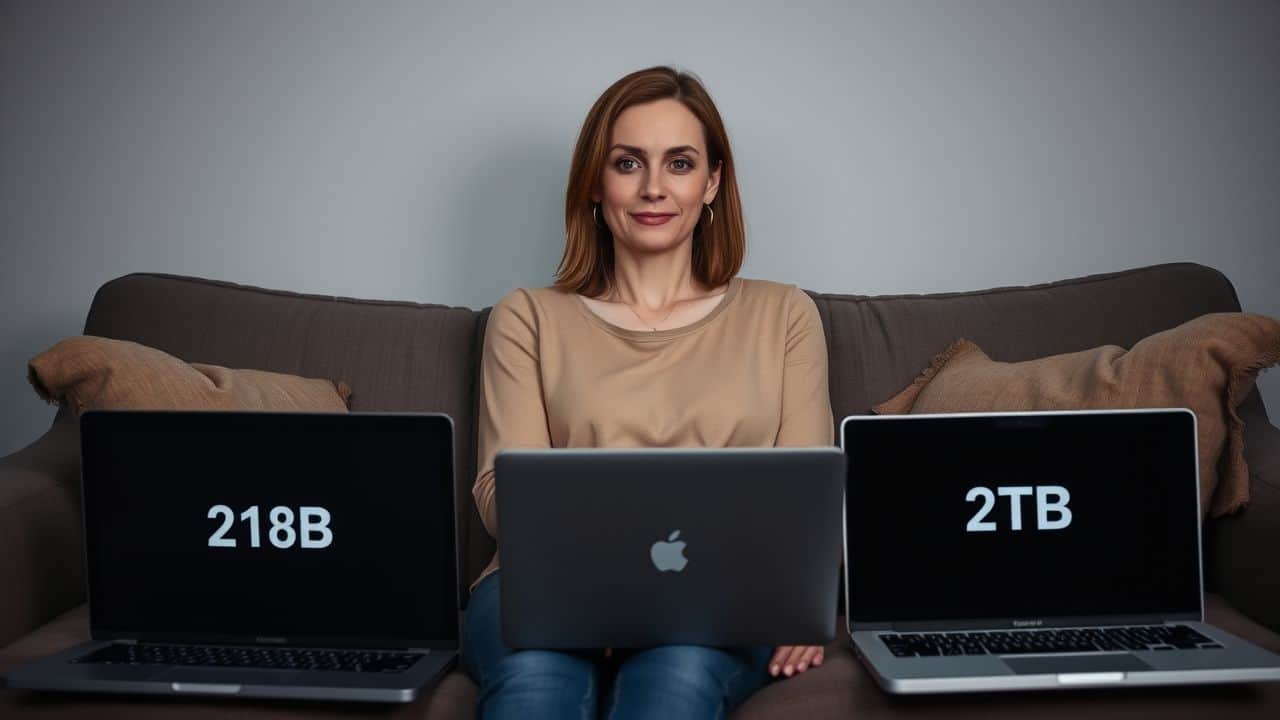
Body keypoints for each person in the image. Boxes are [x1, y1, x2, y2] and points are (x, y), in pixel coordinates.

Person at [463, 65, 834, 719]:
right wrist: (601, 593)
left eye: (680, 163)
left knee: (674, 681)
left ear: (712, 182)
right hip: (542, 591)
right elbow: (500, 496)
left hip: (723, 600)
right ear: (595, 186)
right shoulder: (526, 317)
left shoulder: (785, 316)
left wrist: (802, 600)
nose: (654, 188)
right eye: (628, 163)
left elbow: (804, 501)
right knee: (535, 684)